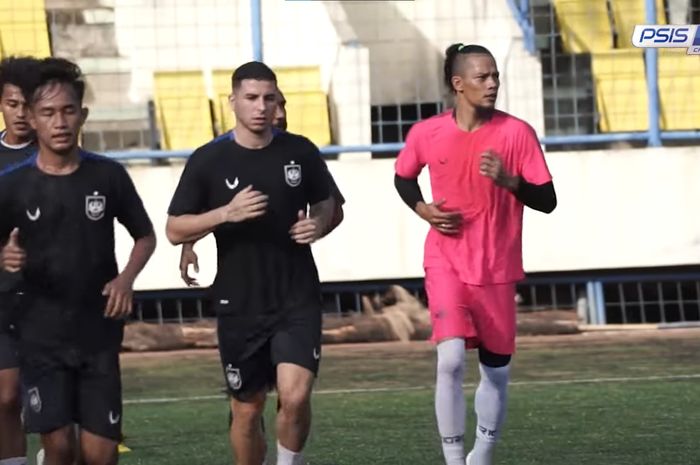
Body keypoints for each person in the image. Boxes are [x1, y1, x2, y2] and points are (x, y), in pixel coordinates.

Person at [166, 61, 337, 465]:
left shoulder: (300, 151)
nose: (261, 106)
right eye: (251, 98)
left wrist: (318, 224)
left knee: (294, 398)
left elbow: (330, 203)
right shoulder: (209, 160)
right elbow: (175, 228)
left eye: (268, 98)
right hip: (239, 302)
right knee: (248, 408)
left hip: (297, 296)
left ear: (278, 101)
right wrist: (225, 214)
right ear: (233, 102)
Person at [394, 43, 557, 465]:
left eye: (496, 76)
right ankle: (452, 460)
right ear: (458, 83)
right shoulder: (426, 133)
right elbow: (403, 179)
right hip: (445, 260)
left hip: (497, 268)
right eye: (483, 77)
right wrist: (423, 209)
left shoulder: (516, 133)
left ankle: (481, 454)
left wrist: (509, 180)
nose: (492, 84)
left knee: (496, 371)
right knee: (448, 359)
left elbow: (548, 200)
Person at [0, 57, 156, 465]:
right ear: (32, 119)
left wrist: (125, 279)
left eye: (68, 111)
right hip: (39, 335)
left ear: (83, 114)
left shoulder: (107, 177)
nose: (60, 122)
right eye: (48, 113)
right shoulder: (12, 186)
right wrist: (5, 256)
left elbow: (145, 235)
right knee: (60, 448)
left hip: (98, 334)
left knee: (100, 454)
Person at [178, 87, 344, 287]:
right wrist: (188, 245)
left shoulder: (302, 153)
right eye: (275, 105)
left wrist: (315, 227)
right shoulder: (216, 155)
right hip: (242, 286)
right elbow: (200, 209)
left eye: (281, 105)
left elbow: (333, 209)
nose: (280, 114)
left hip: (295, 285)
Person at [0, 55, 39, 465]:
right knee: (7, 397)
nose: (21, 115)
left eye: (29, 105)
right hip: (4, 296)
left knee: (53, 411)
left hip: (52, 297)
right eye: (13, 104)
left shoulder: (59, 156)